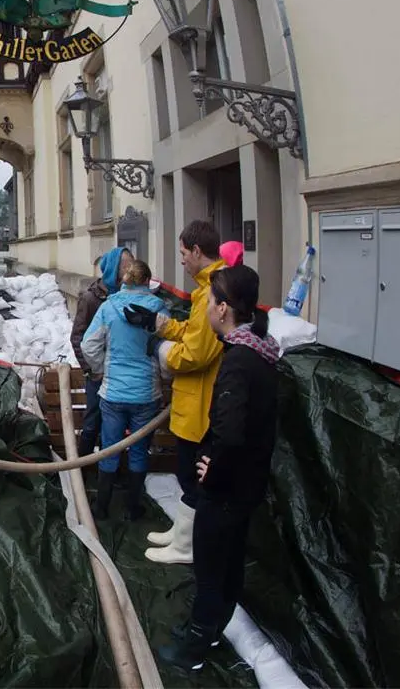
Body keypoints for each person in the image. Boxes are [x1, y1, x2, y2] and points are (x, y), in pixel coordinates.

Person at [159, 264, 281, 670]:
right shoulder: (261, 352)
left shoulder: (238, 362)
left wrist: (212, 471)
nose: (207, 309)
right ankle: (212, 631)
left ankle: (194, 648)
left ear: (224, 309)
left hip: (226, 491)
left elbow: (229, 431)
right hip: (248, 486)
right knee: (229, 567)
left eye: (211, 302)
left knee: (211, 569)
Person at [123, 220, 226, 564]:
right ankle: (183, 533)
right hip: (192, 401)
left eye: (183, 253)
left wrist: (159, 348)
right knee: (188, 475)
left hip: (201, 405)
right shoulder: (206, 289)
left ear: (197, 251)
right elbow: (192, 331)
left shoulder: (214, 292)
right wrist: (157, 324)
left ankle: (187, 545)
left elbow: (196, 352)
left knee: (192, 475)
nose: (181, 260)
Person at [80, 259, 164, 520]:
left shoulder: (108, 307)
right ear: (148, 282)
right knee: (139, 450)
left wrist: (100, 371)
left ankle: (102, 507)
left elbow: (89, 345)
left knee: (110, 447)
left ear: (124, 280)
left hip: (114, 392)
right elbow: (167, 351)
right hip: (146, 394)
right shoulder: (160, 308)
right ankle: (132, 508)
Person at [69, 246, 133, 458]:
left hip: (120, 374)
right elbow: (77, 337)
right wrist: (91, 369)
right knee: (92, 423)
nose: (129, 271)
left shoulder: (128, 296)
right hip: (98, 375)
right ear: (114, 269)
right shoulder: (90, 299)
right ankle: (84, 469)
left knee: (117, 427)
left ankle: (112, 471)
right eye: (125, 267)